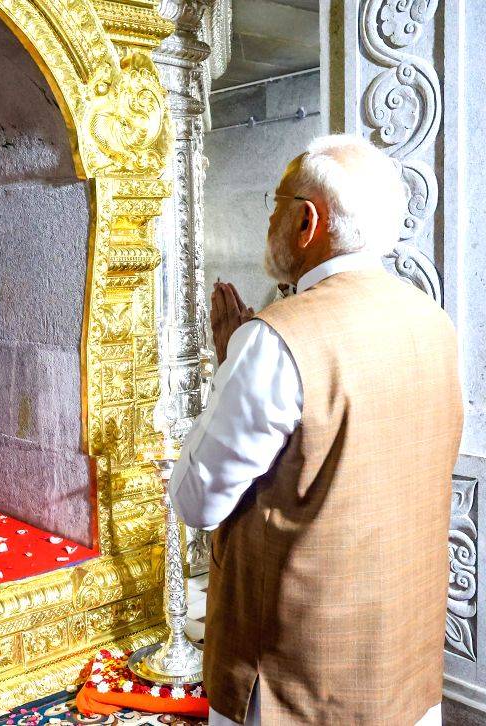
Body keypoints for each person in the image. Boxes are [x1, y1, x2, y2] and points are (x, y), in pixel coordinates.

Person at [170, 135, 463, 725]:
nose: (269, 221)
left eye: (275, 205)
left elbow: (198, 499)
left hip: (298, 677)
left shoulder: (275, 339)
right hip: (402, 657)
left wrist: (230, 369)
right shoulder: (434, 323)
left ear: (307, 221)